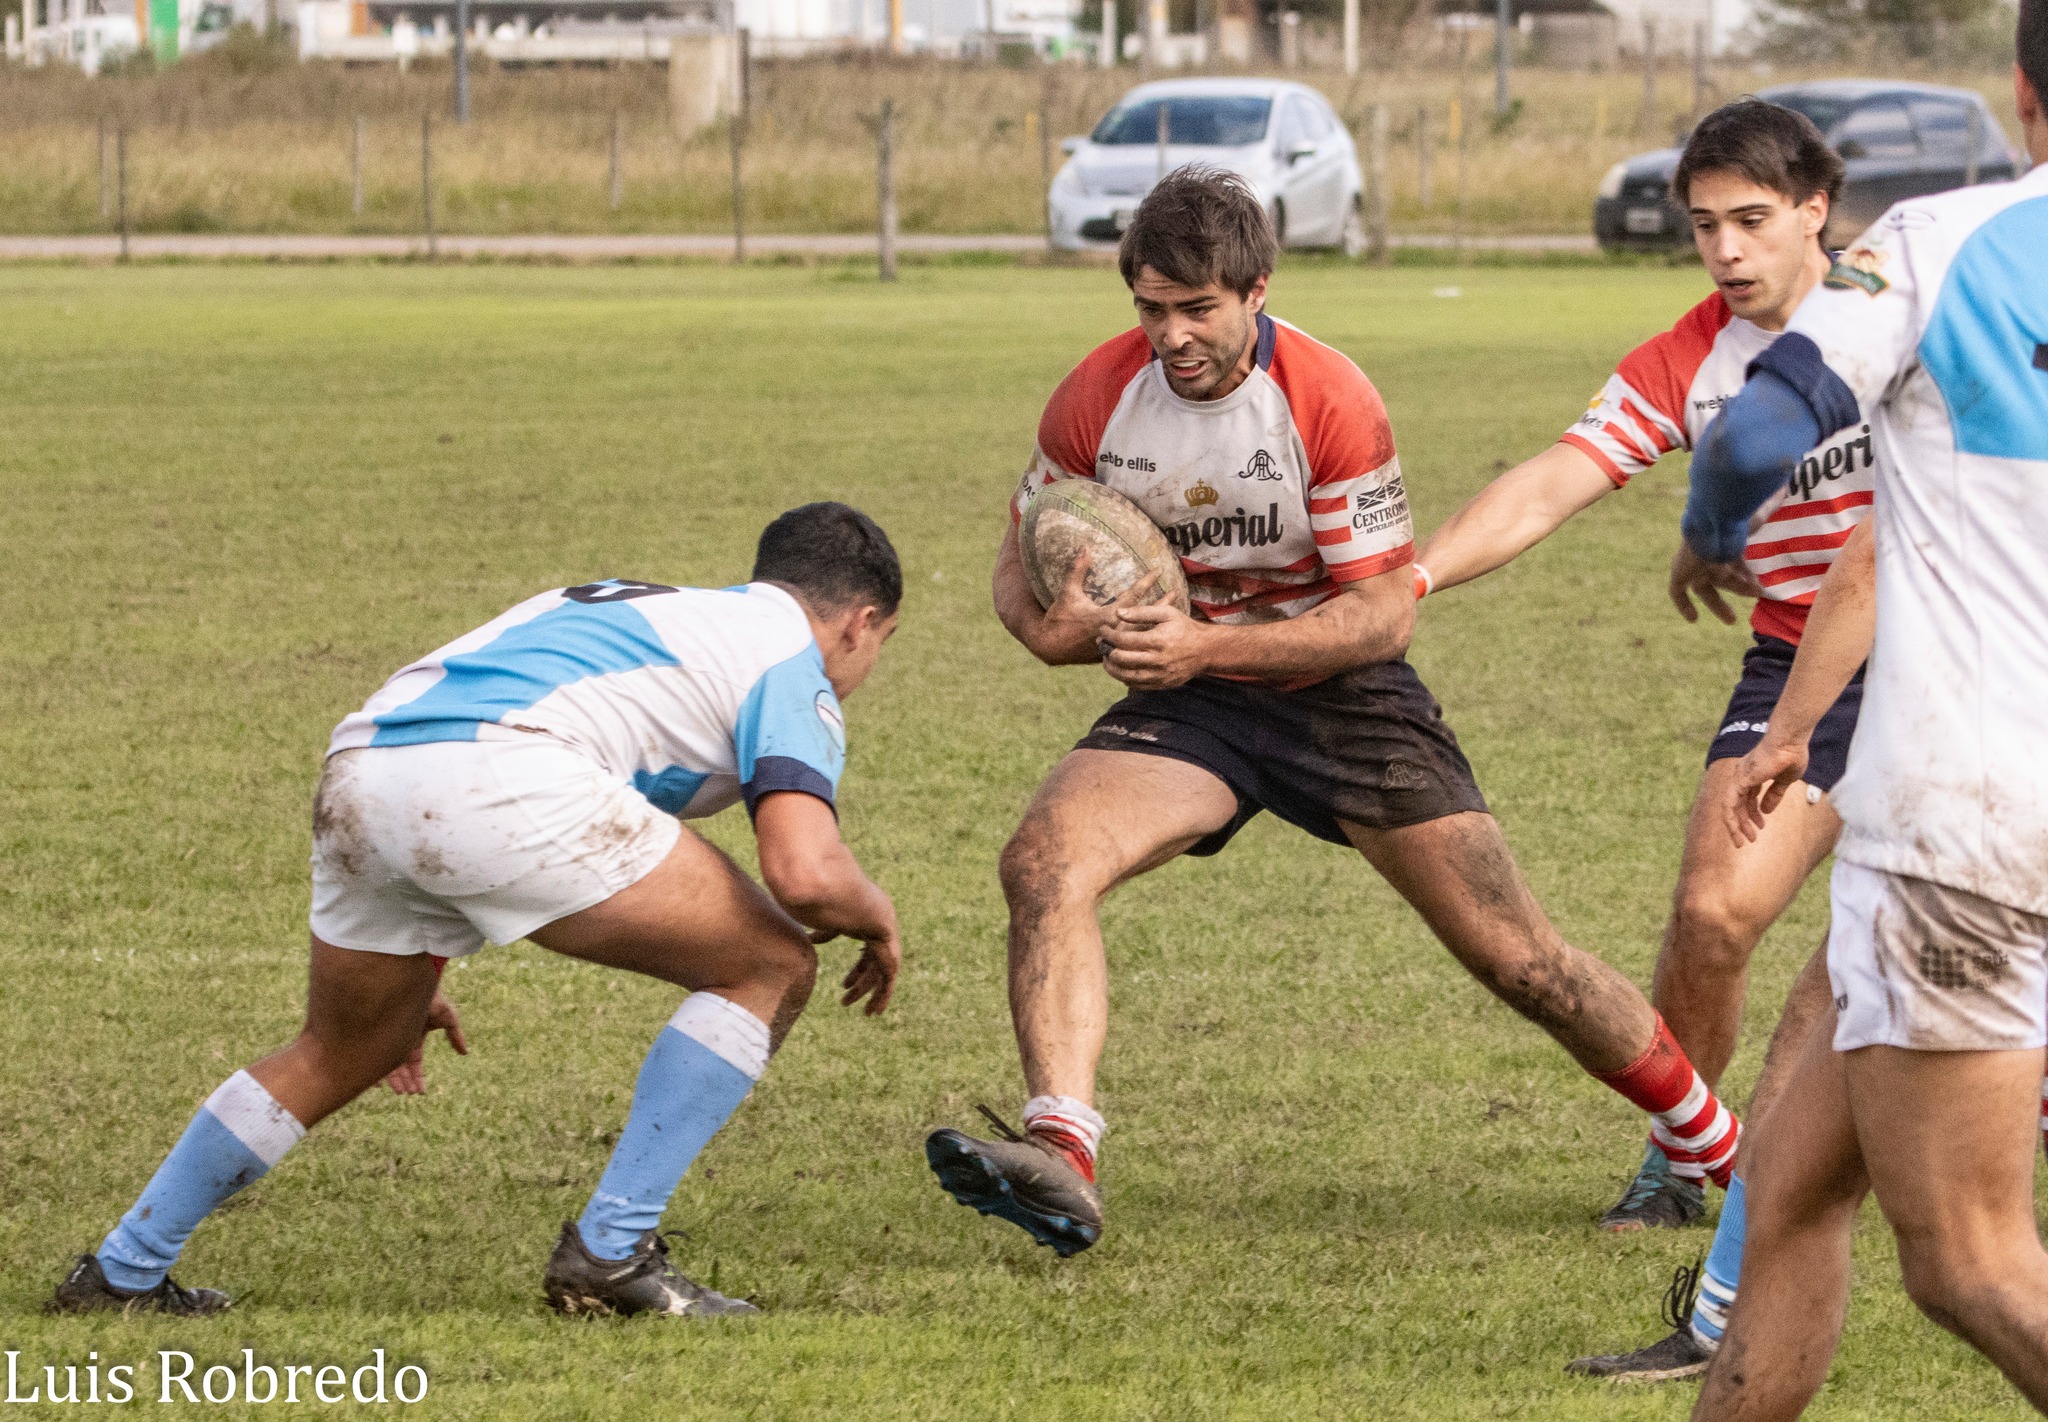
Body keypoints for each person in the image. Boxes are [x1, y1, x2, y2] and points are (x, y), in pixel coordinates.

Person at [922, 165, 1740, 1259]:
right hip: (1195, 702)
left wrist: (1204, 641)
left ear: (1256, 288)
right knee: (1042, 863)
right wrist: (1065, 632)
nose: (1171, 337)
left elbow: (1377, 622)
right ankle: (1061, 1154)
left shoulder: (1325, 398)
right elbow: (1018, 593)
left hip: (1341, 694)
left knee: (1520, 962)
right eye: (1150, 309)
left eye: (1197, 309)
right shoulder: (1092, 399)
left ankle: (1710, 1139)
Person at [49, 503, 905, 1320]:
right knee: (773, 962)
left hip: (364, 768)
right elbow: (804, 873)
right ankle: (612, 1252)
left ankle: (122, 1271)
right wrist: (877, 916)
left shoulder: (662, 609)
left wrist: (425, 952)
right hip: (498, 778)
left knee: (350, 1043)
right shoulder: (792, 661)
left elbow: (474, 721)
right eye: (881, 646)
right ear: (859, 622)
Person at [1676, 24, 2048, 1415]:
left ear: (2023, 94)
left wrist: (1713, 523)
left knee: (1967, 1257)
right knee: (1790, 1188)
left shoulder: (1939, 244)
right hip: (1985, 813)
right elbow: (1878, 552)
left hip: (1965, 813)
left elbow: (1761, 438)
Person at [1416, 98, 1860, 1241]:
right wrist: (1410, 582)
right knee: (1711, 915)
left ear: (1814, 211)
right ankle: (1679, 1157)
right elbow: (1547, 481)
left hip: (1963, 653)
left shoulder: (1896, 317)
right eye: (1704, 224)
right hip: (1790, 659)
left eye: (1751, 221)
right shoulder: (1687, 358)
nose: (1723, 250)